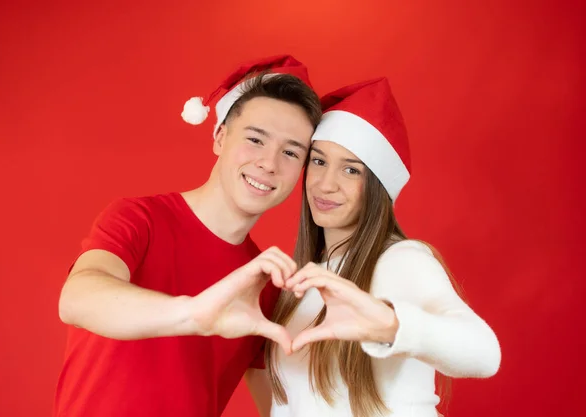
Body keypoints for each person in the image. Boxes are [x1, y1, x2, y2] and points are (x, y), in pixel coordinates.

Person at [53, 55, 322, 417]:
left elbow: (279, 408)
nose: (270, 163)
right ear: (220, 137)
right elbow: (77, 298)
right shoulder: (140, 219)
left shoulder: (267, 284)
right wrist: (195, 314)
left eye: (291, 152)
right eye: (256, 139)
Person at [265, 78, 502, 417]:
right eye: (318, 161)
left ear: (378, 185)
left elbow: (484, 354)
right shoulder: (305, 279)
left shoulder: (399, 260)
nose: (325, 183)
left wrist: (391, 325)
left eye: (351, 170)